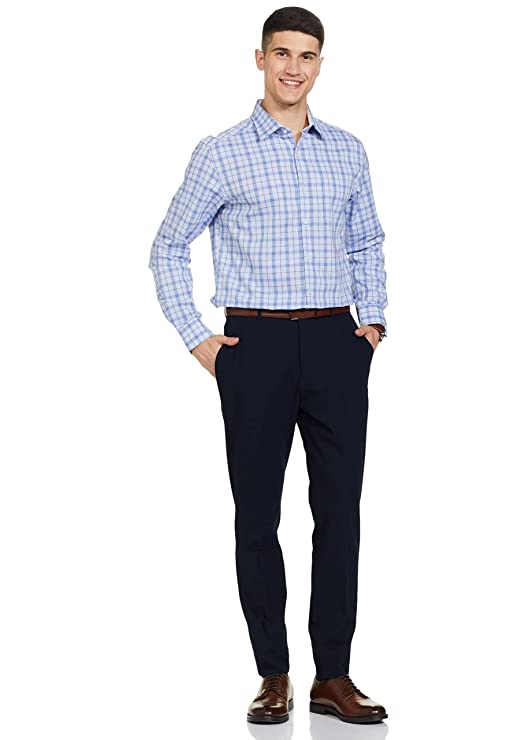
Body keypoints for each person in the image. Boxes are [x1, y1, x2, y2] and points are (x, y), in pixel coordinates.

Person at [148, 7, 389, 726]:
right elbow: (167, 246)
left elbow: (367, 240)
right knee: (257, 515)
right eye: (281, 53)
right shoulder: (221, 153)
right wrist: (197, 337)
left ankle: (333, 676)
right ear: (259, 59)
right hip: (253, 347)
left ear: (320, 64)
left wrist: (372, 324)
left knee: (339, 512)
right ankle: (273, 674)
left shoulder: (347, 150)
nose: (293, 68)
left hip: (335, 343)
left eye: (306, 56)